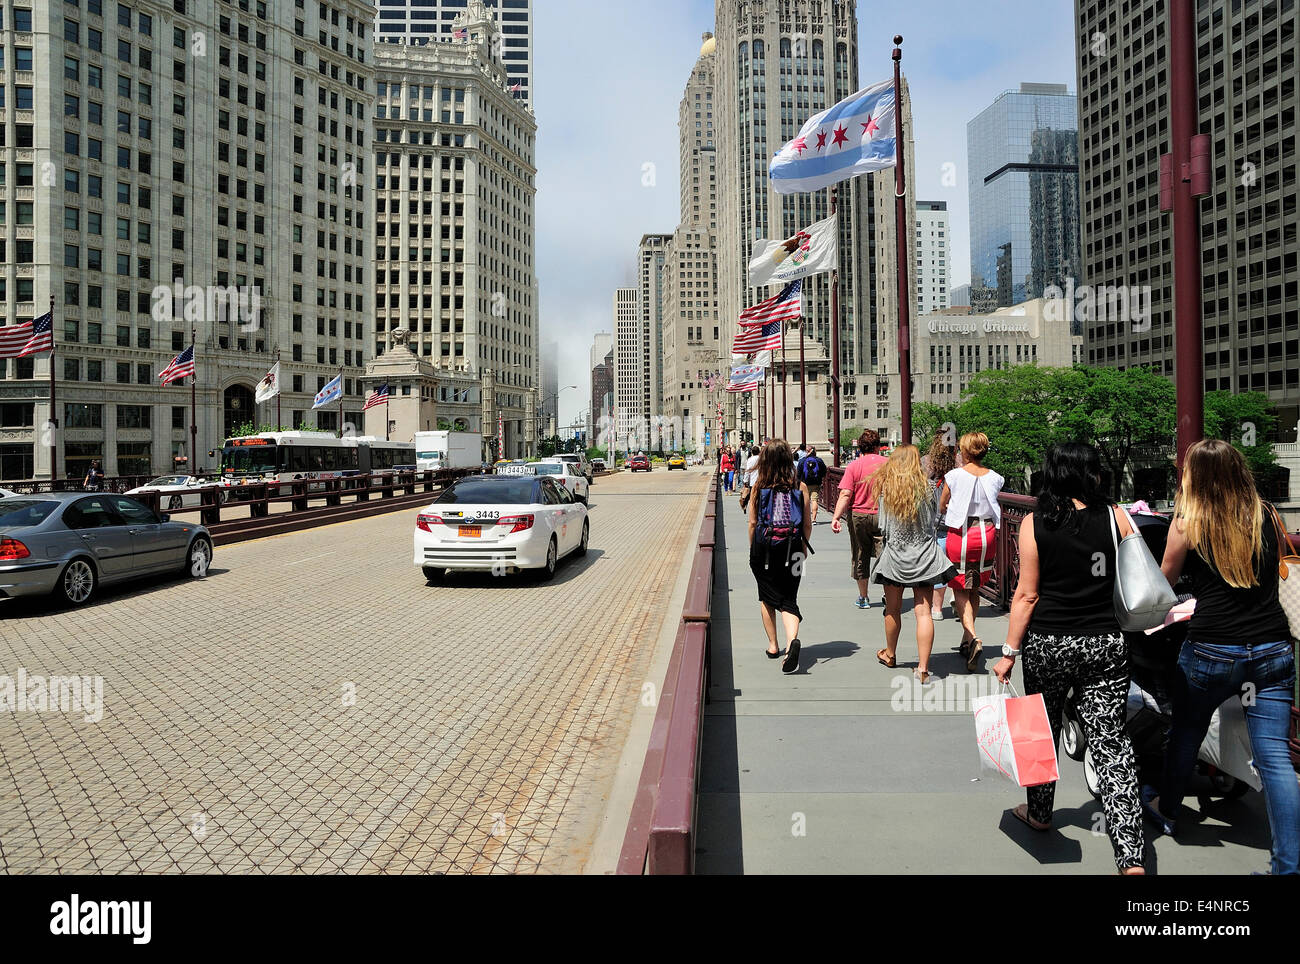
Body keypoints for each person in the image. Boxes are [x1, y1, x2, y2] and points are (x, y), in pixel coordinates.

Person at [1144, 440, 1299, 875]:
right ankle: (1288, 867)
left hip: (1212, 648)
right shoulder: (1265, 513)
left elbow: (1162, 583)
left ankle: (1167, 809)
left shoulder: (1187, 521)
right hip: (1272, 648)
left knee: (1186, 732)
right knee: (1275, 757)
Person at [992, 442, 1146, 874]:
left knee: (1041, 729)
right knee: (1111, 742)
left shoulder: (1034, 522)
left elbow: (1027, 594)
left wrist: (1008, 652)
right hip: (1106, 641)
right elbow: (1136, 569)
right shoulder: (1117, 516)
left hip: (1049, 641)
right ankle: (1131, 855)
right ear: (1092, 474)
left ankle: (1040, 814)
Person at [869, 446, 957, 683]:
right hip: (924, 556)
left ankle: (890, 654)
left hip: (896, 557)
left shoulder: (888, 490)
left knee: (893, 609)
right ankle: (924, 667)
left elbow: (883, 527)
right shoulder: (928, 489)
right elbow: (933, 521)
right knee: (923, 612)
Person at [939, 433, 1004, 671]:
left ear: (965, 452)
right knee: (974, 586)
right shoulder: (996, 477)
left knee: (959, 587)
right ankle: (967, 640)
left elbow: (943, 504)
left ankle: (973, 635)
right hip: (986, 533)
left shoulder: (954, 476)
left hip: (962, 534)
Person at [748, 439, 813, 675]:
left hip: (764, 550)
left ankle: (773, 646)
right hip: (794, 549)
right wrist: (803, 549)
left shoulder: (759, 486)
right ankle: (791, 641)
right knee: (789, 597)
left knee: (766, 597)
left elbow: (753, 522)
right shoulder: (800, 486)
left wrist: (754, 548)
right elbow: (807, 524)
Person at [830, 431, 888, 609]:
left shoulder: (854, 466)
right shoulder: (888, 464)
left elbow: (845, 493)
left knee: (860, 554)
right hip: (883, 514)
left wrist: (836, 517)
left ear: (860, 447)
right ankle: (889, 595)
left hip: (859, 515)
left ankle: (864, 597)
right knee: (885, 555)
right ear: (878, 446)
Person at [921, 431, 962, 621]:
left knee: (937, 566)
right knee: (956, 564)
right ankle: (957, 597)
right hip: (956, 522)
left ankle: (936, 608)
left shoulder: (925, 462)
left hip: (932, 522)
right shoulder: (961, 463)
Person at [797, 445, 827, 524]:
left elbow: (798, 473)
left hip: (804, 484)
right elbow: (824, 471)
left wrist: (799, 482)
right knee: (814, 500)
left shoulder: (802, 461)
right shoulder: (819, 460)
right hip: (815, 483)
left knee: (804, 501)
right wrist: (819, 478)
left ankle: (803, 519)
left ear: (807, 451)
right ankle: (813, 519)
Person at [739, 444, 761, 512]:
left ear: (752, 452)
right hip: (761, 481)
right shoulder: (762, 459)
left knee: (752, 497)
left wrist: (745, 481)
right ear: (759, 452)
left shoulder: (750, 460)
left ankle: (746, 504)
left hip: (753, 482)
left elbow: (747, 471)